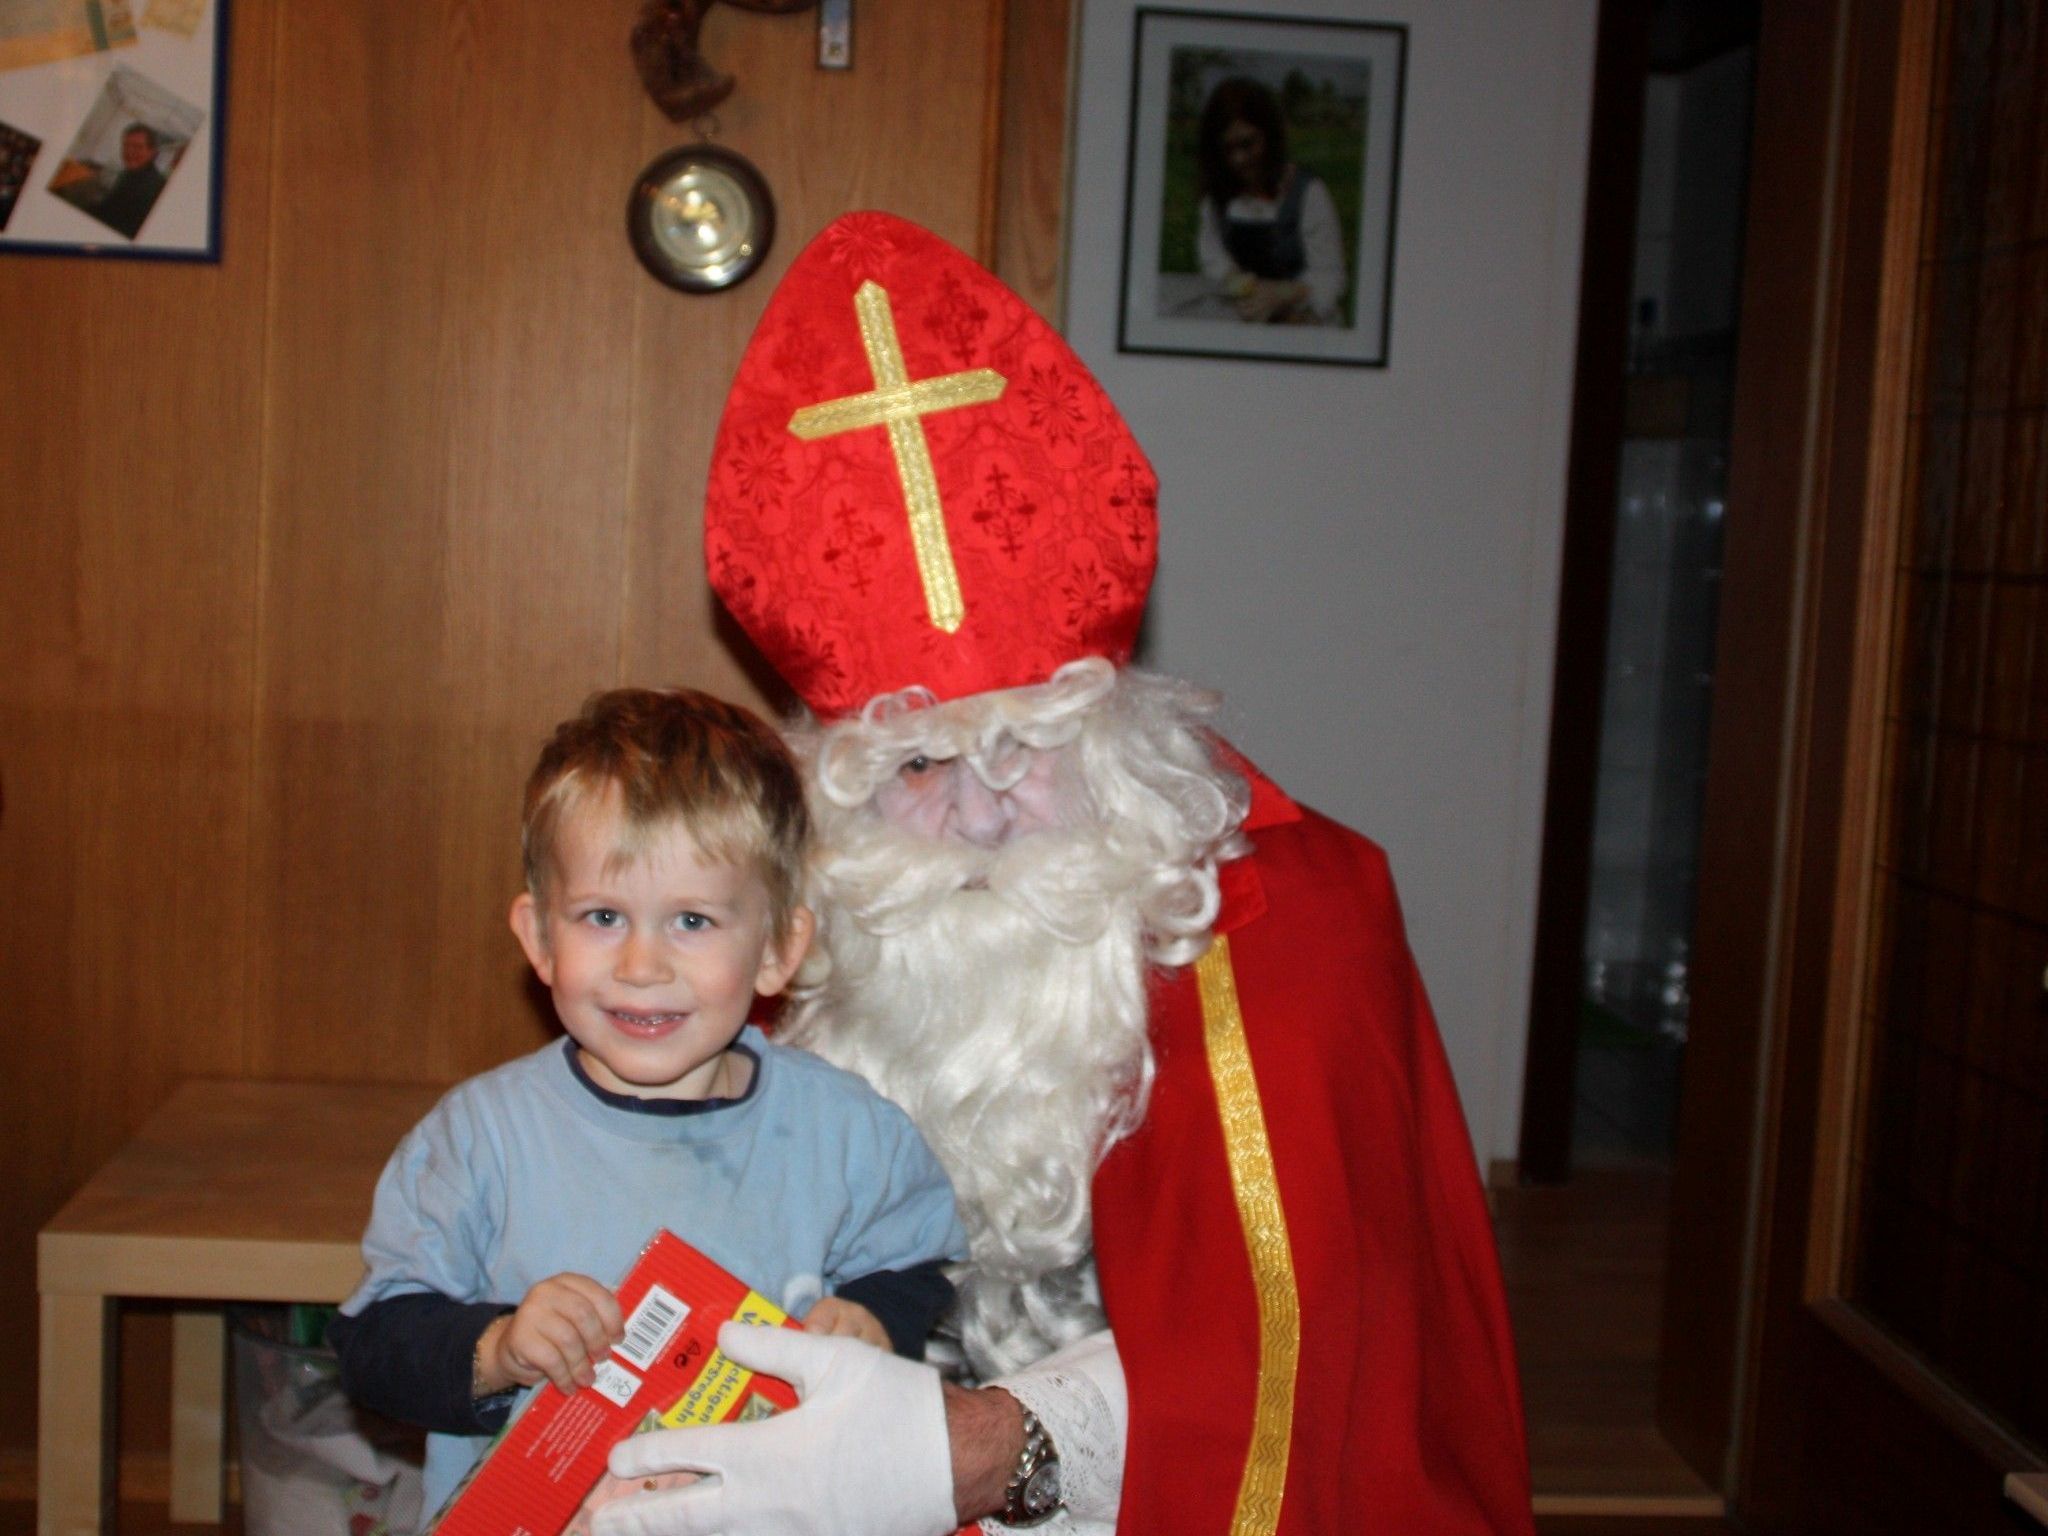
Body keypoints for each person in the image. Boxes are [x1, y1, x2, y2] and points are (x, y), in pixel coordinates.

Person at [587, 213, 1532, 1536]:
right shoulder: (773, 940)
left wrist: (965, 1452)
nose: (978, 816)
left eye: (1025, 745)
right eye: (915, 770)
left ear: (1121, 747)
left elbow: (1322, 1383)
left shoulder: (1300, 928)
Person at [329, 686, 969, 1521]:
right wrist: (499, 1347)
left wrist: (876, 1325)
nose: (641, 965)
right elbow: (373, 1345)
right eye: (602, 916)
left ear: (778, 948)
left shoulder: (851, 1135)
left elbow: (920, 1268)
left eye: (693, 922)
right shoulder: (478, 1139)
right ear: (537, 938)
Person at [1193, 78, 1347, 325]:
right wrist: (1240, 284)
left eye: (1247, 143)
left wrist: (1283, 294)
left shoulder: (1307, 192)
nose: (1238, 159)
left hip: (1305, 317)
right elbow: (1213, 258)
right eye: (1227, 149)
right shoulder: (1218, 198)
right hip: (1244, 314)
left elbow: (1329, 275)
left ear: (1269, 135)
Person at [91, 123, 167, 239]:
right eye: (126, 145)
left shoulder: (155, 187)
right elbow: (109, 207)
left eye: (137, 147)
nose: (129, 152)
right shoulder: (128, 173)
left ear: (153, 153)